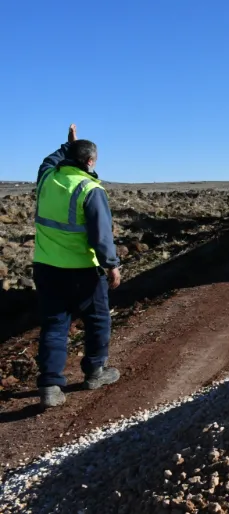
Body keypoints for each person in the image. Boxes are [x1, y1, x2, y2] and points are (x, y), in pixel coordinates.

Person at [33, 124, 121, 409]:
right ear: (91, 161)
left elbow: (49, 161)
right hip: (83, 270)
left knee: (55, 325)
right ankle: (95, 372)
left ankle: (49, 386)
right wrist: (112, 266)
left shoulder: (47, 179)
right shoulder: (90, 189)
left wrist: (67, 145)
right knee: (97, 321)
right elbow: (102, 236)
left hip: (47, 266)